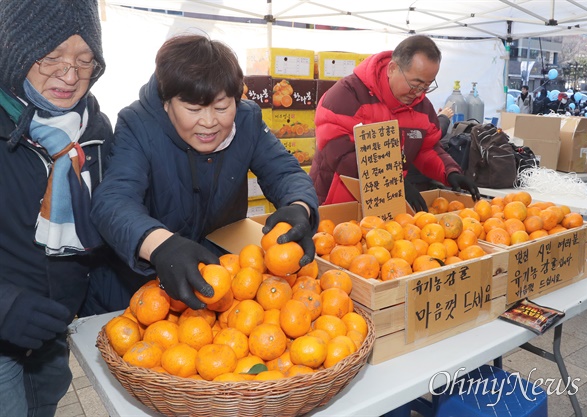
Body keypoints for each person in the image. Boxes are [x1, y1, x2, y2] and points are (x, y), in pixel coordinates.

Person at [91, 34, 319, 311]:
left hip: (220, 278)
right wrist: (159, 245)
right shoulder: (139, 124)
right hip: (145, 285)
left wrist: (300, 206)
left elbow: (284, 171)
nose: (209, 123)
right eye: (193, 109)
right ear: (167, 102)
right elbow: (114, 199)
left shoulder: (247, 121)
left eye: (222, 107)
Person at [0, 0, 113, 415]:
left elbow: (102, 232)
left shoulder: (95, 130)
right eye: (51, 58)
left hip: (55, 327)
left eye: (85, 62)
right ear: (14, 51)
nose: (70, 77)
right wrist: (4, 306)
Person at [308, 35, 480, 213]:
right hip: (336, 203)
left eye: (427, 86)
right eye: (416, 84)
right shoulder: (346, 97)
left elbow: (426, 148)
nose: (419, 93)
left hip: (386, 206)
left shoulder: (422, 108)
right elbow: (340, 155)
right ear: (392, 68)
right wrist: (394, 182)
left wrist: (450, 172)